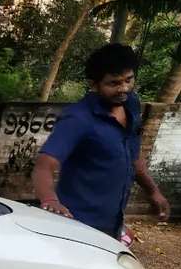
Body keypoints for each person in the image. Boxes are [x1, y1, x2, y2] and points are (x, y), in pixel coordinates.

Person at [32, 43, 170, 241]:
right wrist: (50, 201)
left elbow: (133, 157)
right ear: (94, 84)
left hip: (112, 224)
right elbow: (44, 164)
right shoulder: (78, 118)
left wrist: (153, 191)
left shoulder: (131, 105)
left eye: (128, 80)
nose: (124, 88)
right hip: (76, 226)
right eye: (114, 83)